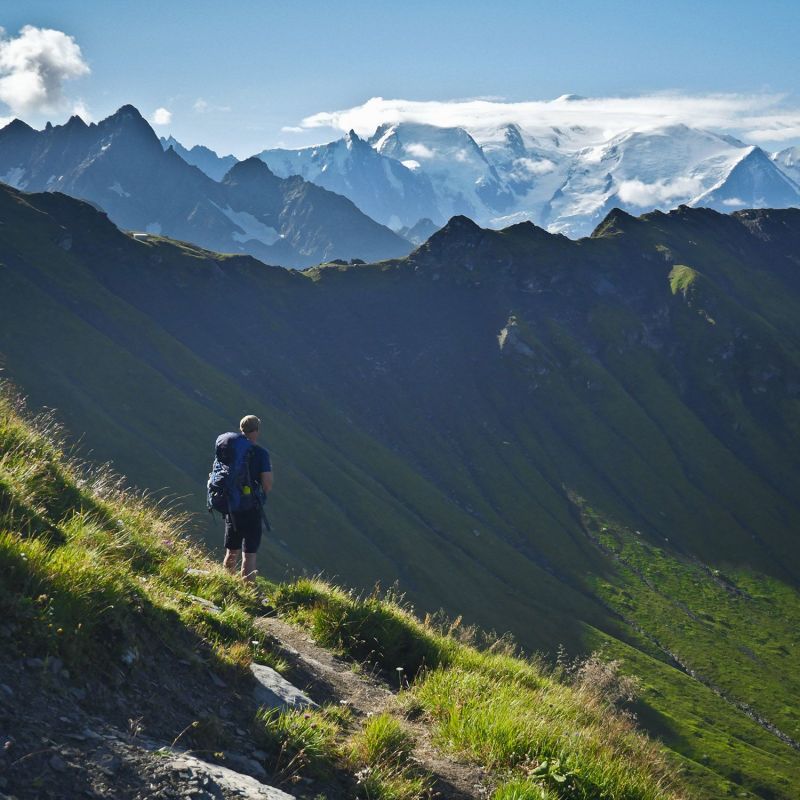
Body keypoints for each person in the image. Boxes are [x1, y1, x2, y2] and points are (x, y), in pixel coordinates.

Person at [222, 414, 273, 581]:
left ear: (241, 429)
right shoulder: (260, 453)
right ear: (256, 430)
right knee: (249, 554)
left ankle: (225, 585)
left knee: (231, 551)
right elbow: (267, 484)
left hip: (232, 506)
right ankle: (248, 592)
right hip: (251, 508)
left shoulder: (229, 448)